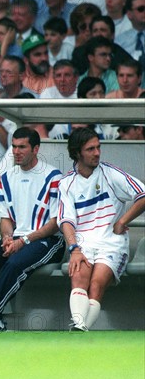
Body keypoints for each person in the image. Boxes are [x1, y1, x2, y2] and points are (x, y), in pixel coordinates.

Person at [0, 127, 65, 332]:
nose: (16, 152)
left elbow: (55, 222)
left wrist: (23, 241)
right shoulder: (7, 177)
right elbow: (6, 218)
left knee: (14, 263)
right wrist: (8, 238)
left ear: (35, 149)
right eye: (14, 147)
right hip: (17, 239)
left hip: (49, 241)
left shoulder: (54, 176)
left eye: (22, 147)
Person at [58, 127, 145, 331]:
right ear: (77, 152)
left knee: (96, 284)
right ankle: (80, 328)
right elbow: (66, 221)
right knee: (79, 277)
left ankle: (79, 328)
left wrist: (123, 221)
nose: (97, 153)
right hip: (83, 243)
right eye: (90, 149)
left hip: (111, 243)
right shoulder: (66, 183)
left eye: (98, 147)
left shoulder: (110, 173)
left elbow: (142, 194)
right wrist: (74, 250)